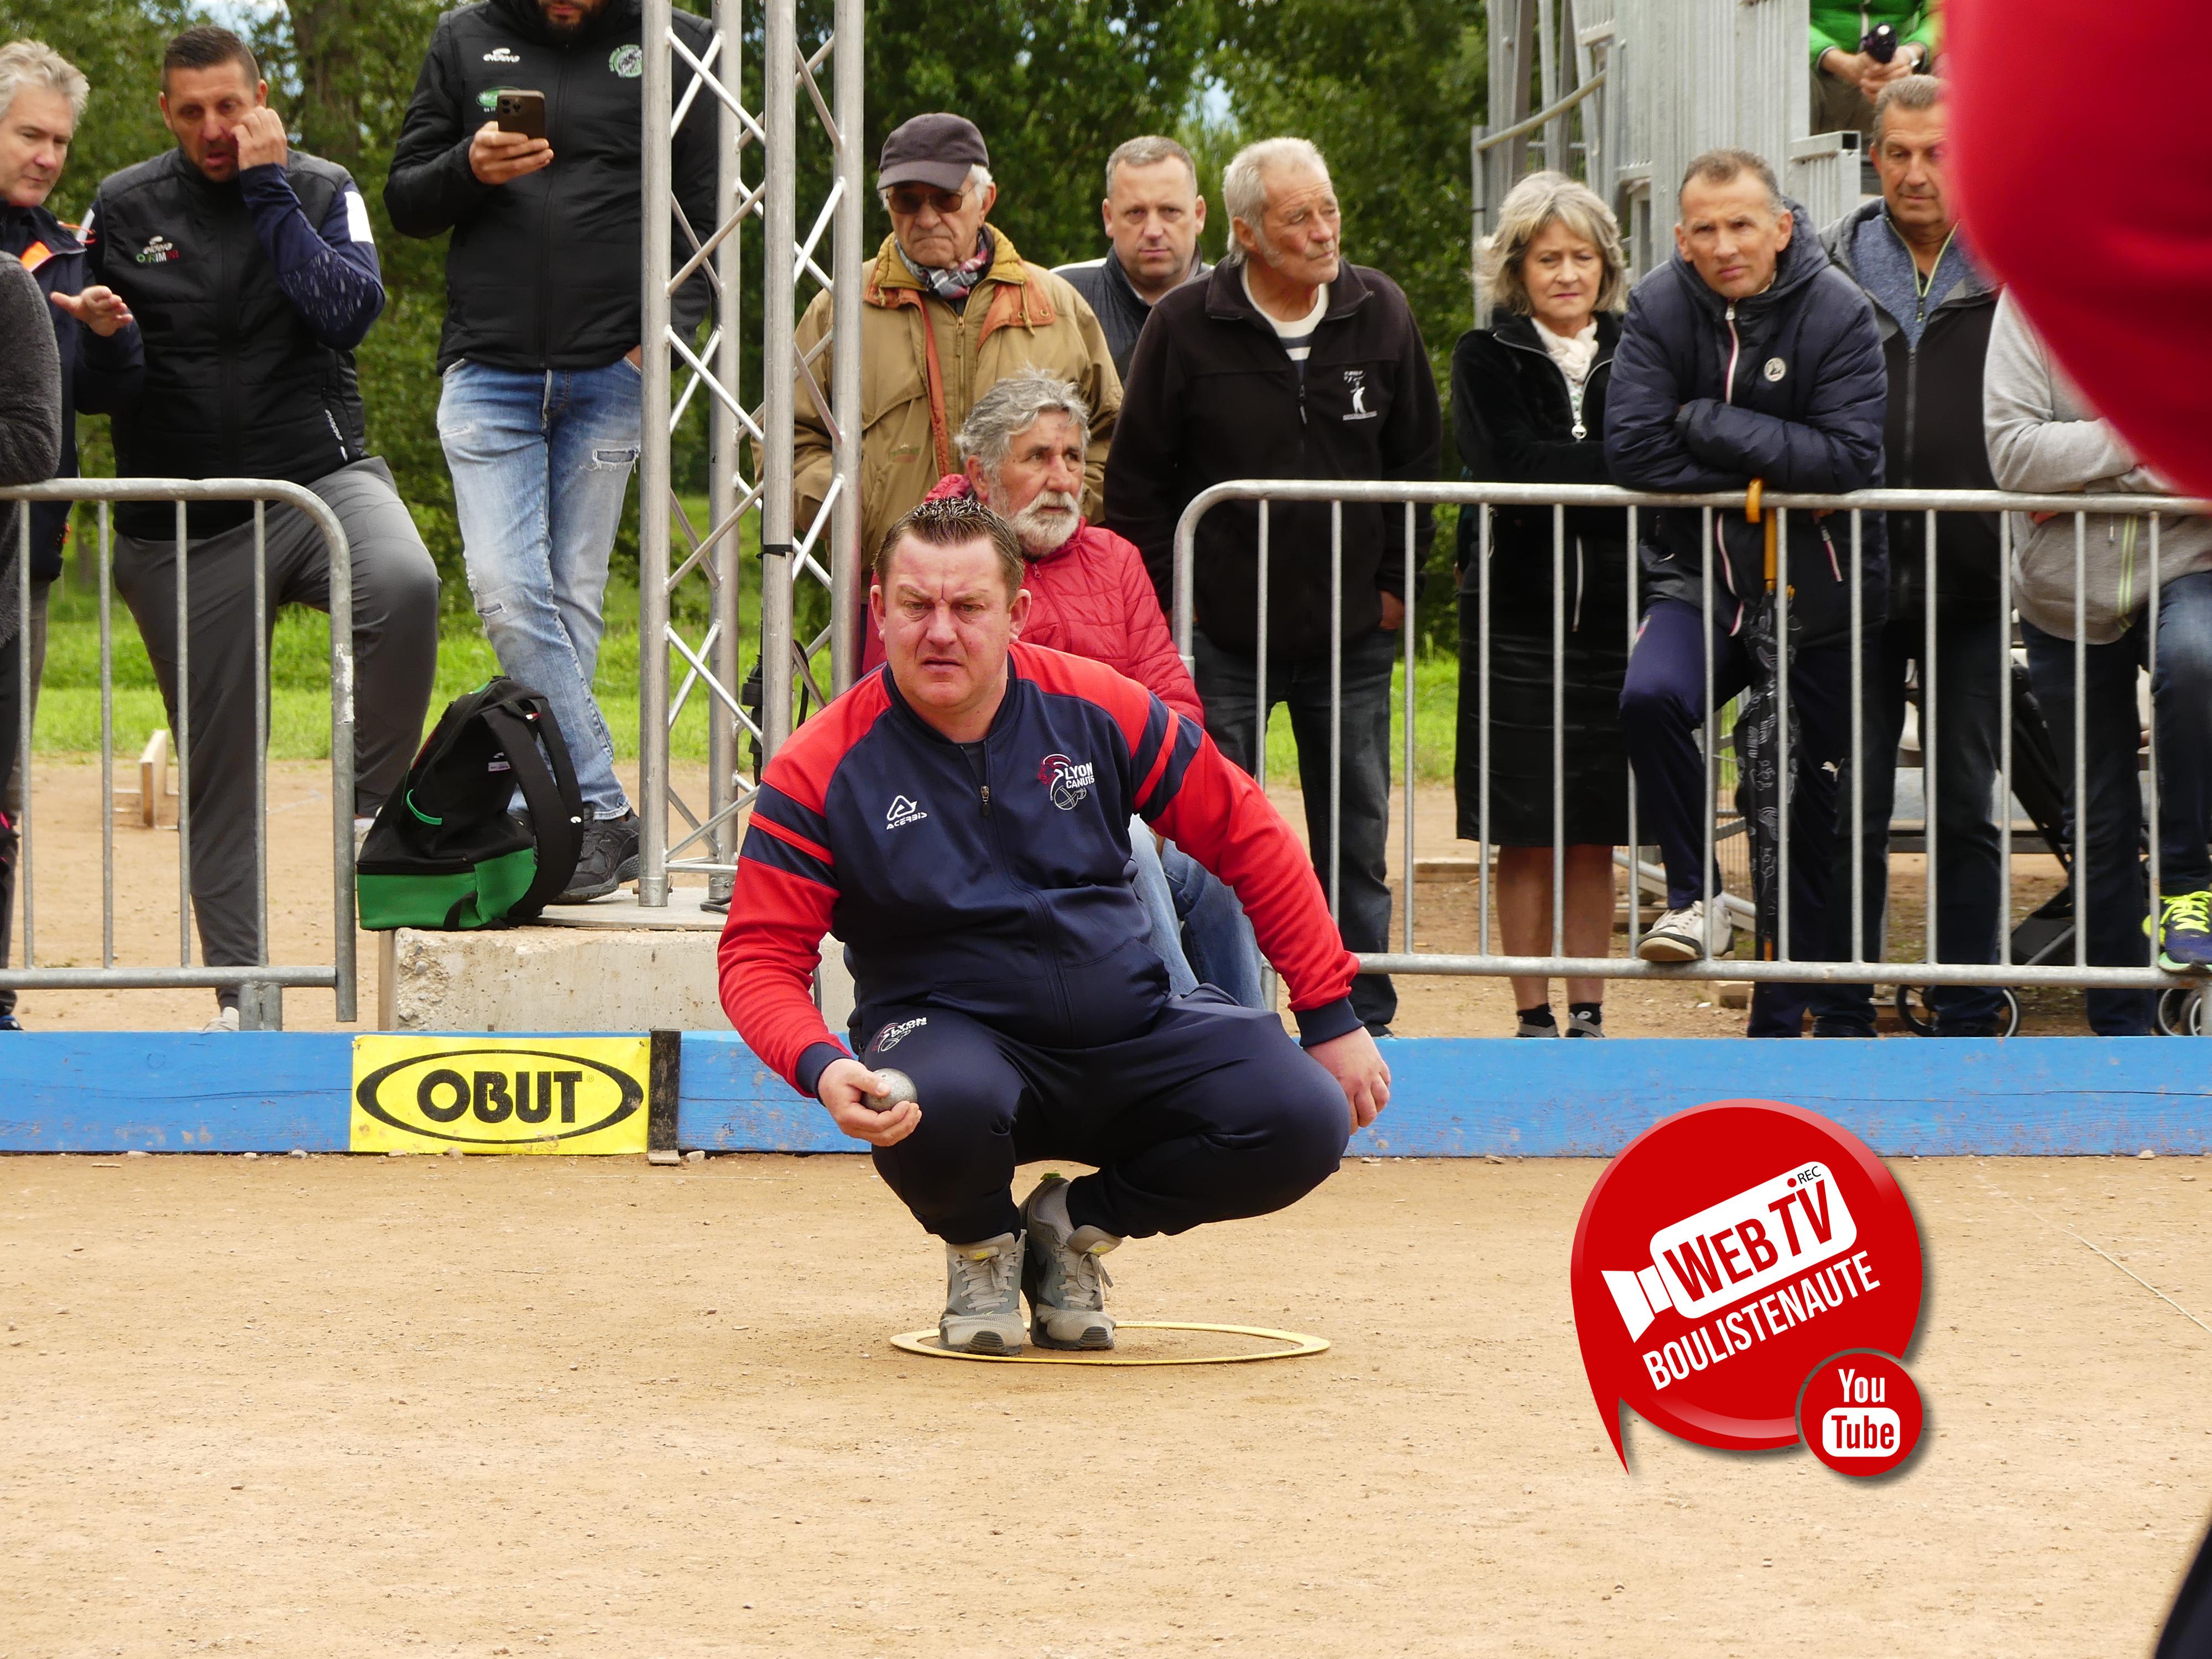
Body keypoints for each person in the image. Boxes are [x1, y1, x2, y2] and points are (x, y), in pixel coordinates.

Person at [717, 494, 1389, 1356]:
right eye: (917, 607)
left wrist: (1331, 1015)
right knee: (930, 1102)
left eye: (969, 608)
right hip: (950, 1043)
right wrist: (820, 1065)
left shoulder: (1098, 706)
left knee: (1305, 1116)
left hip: (1130, 1028)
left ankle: (1072, 1226)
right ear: (878, 611)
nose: (941, 633)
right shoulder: (819, 765)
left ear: (1018, 613)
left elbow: (1248, 833)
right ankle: (981, 1246)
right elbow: (758, 958)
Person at [88, 25, 441, 1030]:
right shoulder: (122, 205)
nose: (214, 127)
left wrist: (268, 189)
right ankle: (245, 1000)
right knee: (222, 775)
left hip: (321, 480)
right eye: (192, 110)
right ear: (165, 111)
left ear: (263, 99)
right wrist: (105, 342)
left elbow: (346, 312)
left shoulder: (323, 186)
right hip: (183, 517)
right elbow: (103, 390)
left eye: (230, 106)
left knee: (406, 582)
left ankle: (375, 812)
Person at [1105, 136, 1441, 1038]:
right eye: (1301, 218)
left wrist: (1397, 588)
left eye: (1329, 209)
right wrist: (1175, 610)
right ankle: (1233, 1009)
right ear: (1249, 233)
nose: (1325, 231)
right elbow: (1136, 487)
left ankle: (1363, 1011)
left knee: (1357, 834)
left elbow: (1419, 463)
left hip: (1351, 636)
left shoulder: (1383, 311)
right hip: (1221, 637)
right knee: (1217, 832)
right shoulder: (1184, 325)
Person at [385, 0, 718, 902]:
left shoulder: (677, 40)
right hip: (487, 372)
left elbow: (713, 216)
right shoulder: (462, 35)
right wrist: (469, 164)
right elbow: (406, 197)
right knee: (507, 592)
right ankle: (604, 811)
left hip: (612, 374)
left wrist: (660, 340)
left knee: (569, 607)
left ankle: (550, 820)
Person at [859, 372, 1265, 1008]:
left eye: (1073, 457)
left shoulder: (1116, 559)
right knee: (1125, 844)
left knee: (1220, 864)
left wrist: (1144, 800)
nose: (1062, 479)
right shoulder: (929, 566)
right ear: (982, 472)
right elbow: (898, 711)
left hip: (1123, 804)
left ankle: (1251, 1037)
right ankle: (1190, 1038)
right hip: (995, 819)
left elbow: (1174, 704)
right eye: (1038, 457)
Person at [1607, 148, 1887, 1036]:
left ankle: (1819, 1013)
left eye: (1742, 225)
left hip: (1822, 591)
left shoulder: (1840, 307)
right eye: (1707, 230)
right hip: (1704, 577)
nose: (1727, 245)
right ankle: (1696, 898)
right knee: (1651, 696)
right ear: (1683, 239)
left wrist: (1708, 421)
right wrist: (1766, 451)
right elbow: (1634, 452)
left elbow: (1848, 458)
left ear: (1782, 226)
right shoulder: (1656, 303)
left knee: (1803, 795)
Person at [1808, 75, 2006, 1038]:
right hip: (1856, 577)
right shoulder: (1829, 267)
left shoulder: (2019, 269)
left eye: (1941, 153)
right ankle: (1845, 1004)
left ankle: (1968, 1003)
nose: (1920, 173)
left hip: (1977, 579)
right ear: (1873, 156)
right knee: (1855, 801)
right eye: (1901, 153)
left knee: (1969, 802)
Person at [1984, 293, 2212, 1027]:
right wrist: (2147, 442)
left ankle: (2188, 884)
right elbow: (2014, 454)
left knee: (2196, 660)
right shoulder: (2032, 293)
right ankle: (2120, 1027)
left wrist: (2082, 468)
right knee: (2099, 813)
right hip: (2062, 590)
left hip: (2190, 564)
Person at [1451, 171, 1631, 1040]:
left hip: (1616, 621)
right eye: (1548, 258)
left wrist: (1592, 465)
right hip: (1515, 615)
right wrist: (1612, 465)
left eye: (1582, 257)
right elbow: (1508, 467)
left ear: (1607, 266)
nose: (1567, 274)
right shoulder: (1484, 355)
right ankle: (1531, 1013)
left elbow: (1658, 454)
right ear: (1517, 271)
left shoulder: (1643, 350)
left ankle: (1591, 1007)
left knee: (1594, 826)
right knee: (1522, 826)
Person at [795, 112, 1120, 582]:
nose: (926, 218)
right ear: (887, 204)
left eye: (946, 199)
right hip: (895, 588)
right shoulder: (839, 306)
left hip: (1035, 584)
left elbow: (1113, 438)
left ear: (986, 200)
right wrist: (857, 513)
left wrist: (1055, 516)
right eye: (907, 200)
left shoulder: (1058, 305)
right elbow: (788, 440)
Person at [0, 39, 143, 1031]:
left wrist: (106, 331)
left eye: (60, 140)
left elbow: (100, 399)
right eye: (28, 135)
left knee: (3, 778)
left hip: (24, 557)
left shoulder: (68, 245)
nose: (48, 156)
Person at [1052, 135, 1210, 380]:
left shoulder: (1238, 302)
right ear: (1109, 217)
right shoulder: (1059, 298)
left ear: (1199, 214)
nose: (1154, 231)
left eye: (1170, 211)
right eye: (1136, 213)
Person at [1810, 2, 1938, 136]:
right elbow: (1787, 14)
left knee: (1952, 70)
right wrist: (1839, 61)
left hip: (1904, 68)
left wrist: (1910, 53)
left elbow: (1943, 13)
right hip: (1816, 71)